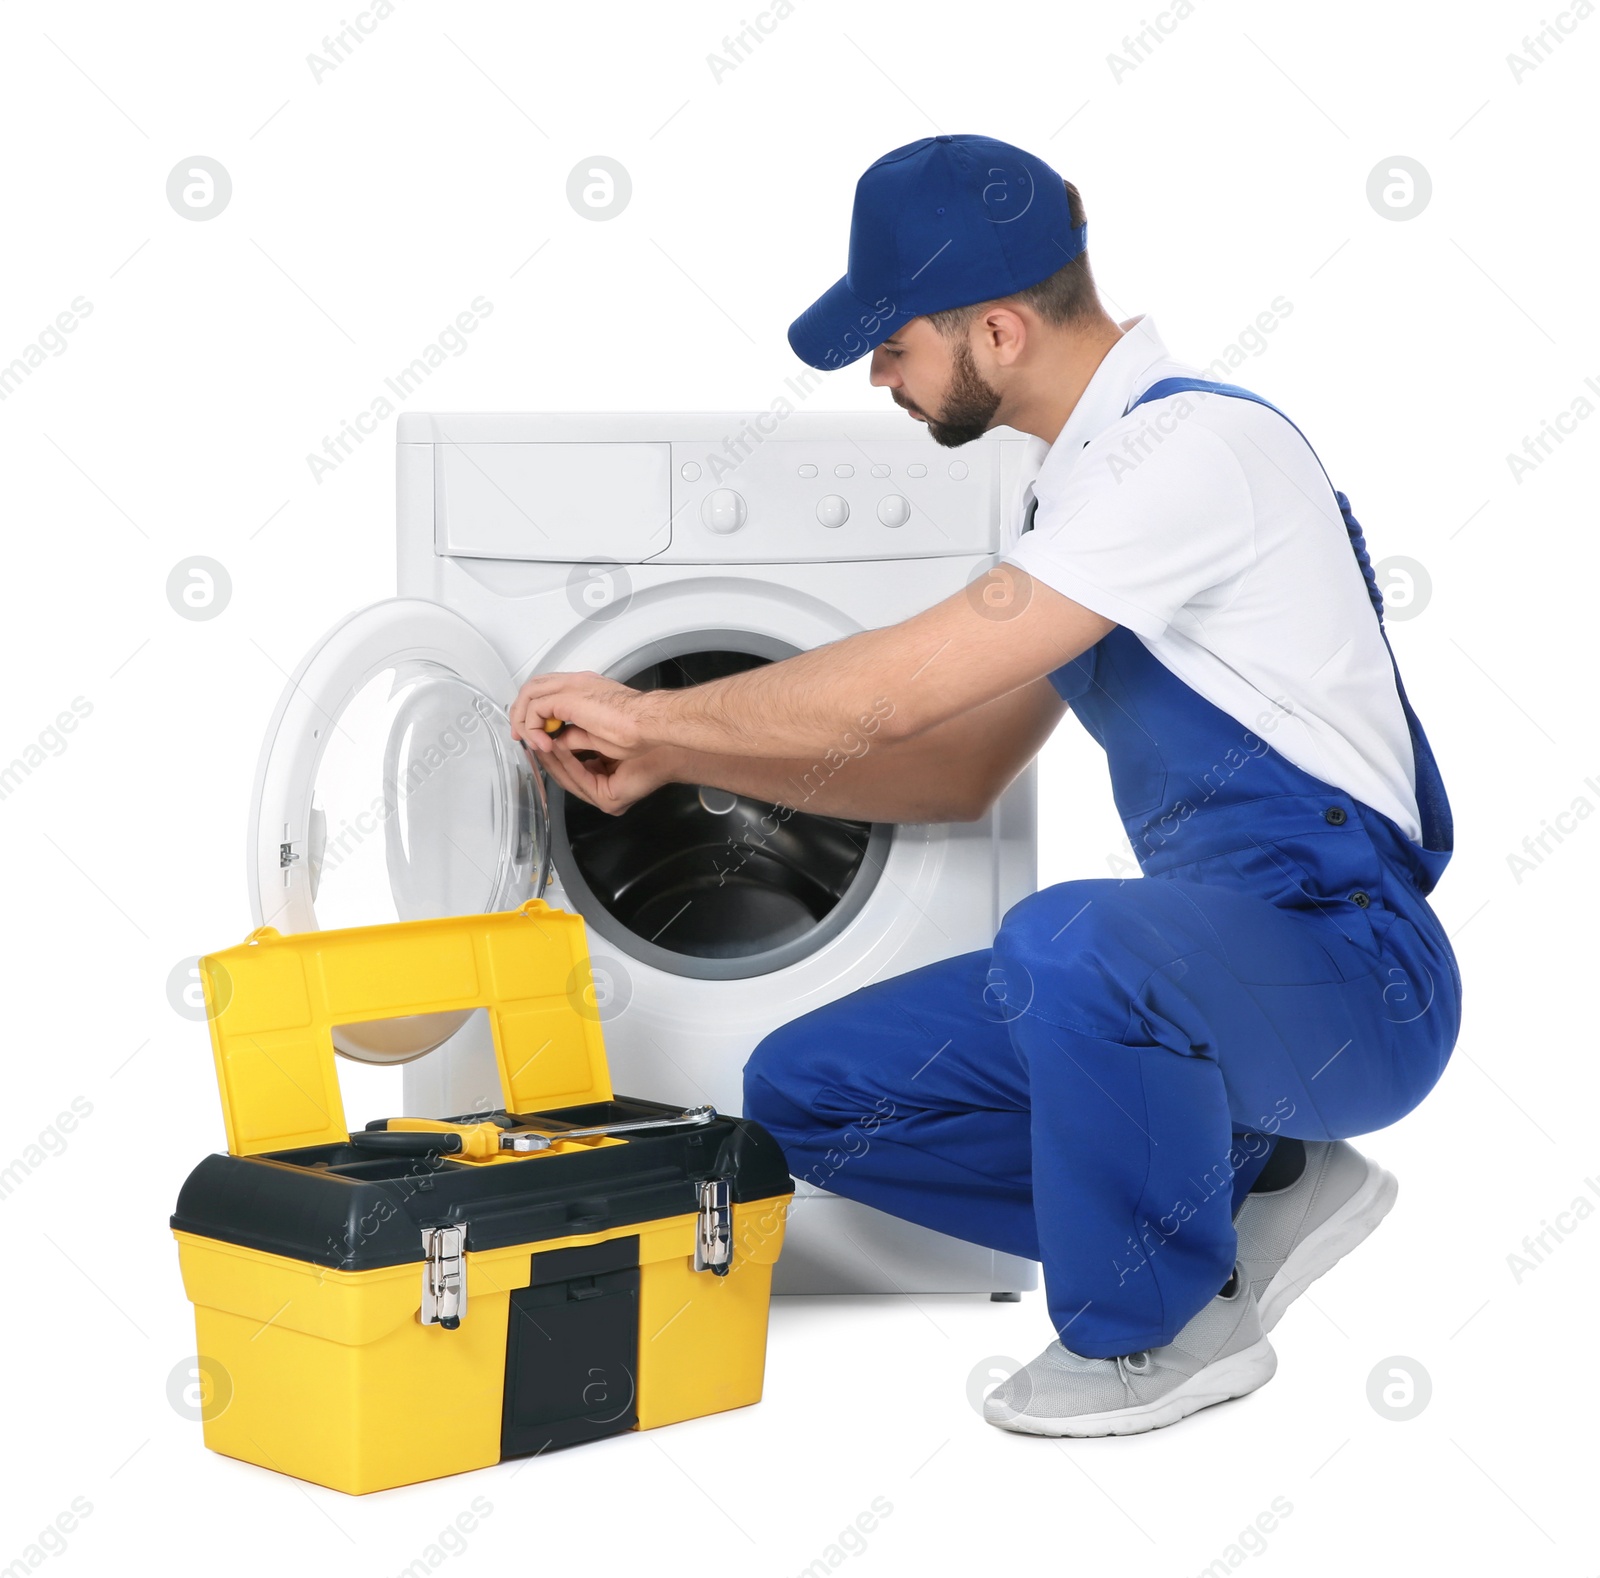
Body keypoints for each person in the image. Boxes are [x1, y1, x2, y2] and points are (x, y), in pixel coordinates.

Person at [510, 134, 1461, 1437]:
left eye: (891, 345)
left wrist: (652, 702)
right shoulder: (1081, 496)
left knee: (1068, 935)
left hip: (1355, 974)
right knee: (808, 1090)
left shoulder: (1186, 454)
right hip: (1214, 978)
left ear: (1000, 330)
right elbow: (952, 760)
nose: (879, 376)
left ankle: (1156, 1329)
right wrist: (675, 752)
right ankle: (1254, 1176)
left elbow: (891, 693)